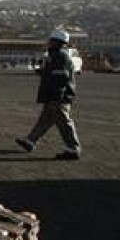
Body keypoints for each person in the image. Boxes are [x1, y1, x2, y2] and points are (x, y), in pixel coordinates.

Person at [15, 29, 81, 160]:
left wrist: (56, 94)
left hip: (58, 96)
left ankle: (73, 149)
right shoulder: (57, 55)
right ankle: (30, 141)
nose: (48, 42)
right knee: (45, 120)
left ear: (56, 42)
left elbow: (61, 76)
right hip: (54, 95)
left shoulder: (60, 56)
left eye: (51, 40)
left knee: (64, 122)